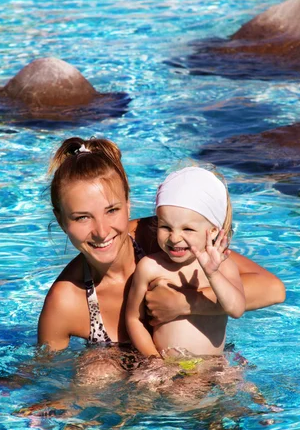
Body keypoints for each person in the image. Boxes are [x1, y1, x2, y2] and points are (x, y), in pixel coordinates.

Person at [37, 136, 285, 388]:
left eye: (112, 210)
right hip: (136, 379)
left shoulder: (163, 239)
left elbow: (273, 289)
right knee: (96, 372)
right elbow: (44, 376)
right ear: (61, 220)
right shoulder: (66, 299)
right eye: (82, 218)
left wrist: (186, 303)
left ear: (128, 204)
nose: (101, 231)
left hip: (199, 364)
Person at [126, 166, 244, 359]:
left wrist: (213, 274)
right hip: (165, 365)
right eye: (165, 227)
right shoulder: (150, 267)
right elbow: (134, 319)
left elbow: (237, 309)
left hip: (213, 366)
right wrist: (153, 360)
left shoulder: (224, 266)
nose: (175, 237)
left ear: (213, 231)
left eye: (187, 229)